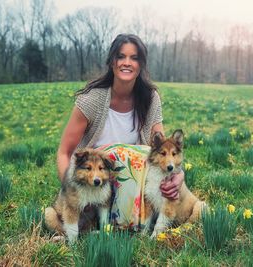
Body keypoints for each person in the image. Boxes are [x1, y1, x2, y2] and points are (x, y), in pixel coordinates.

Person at [56, 33, 184, 229]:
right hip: (96, 181)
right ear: (111, 61)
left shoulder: (150, 98)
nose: (127, 63)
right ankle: (109, 222)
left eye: (134, 58)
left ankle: (195, 214)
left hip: (135, 183)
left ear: (141, 64)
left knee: (176, 195)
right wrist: (70, 190)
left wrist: (179, 176)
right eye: (121, 56)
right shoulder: (92, 100)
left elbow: (162, 149)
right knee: (68, 220)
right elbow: (64, 152)